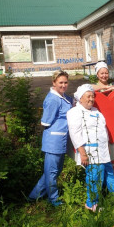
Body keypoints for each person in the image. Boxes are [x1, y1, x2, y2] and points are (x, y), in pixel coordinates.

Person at [67, 84, 114, 212]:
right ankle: (91, 204)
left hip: (103, 151)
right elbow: (75, 134)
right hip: (90, 152)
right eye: (88, 96)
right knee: (94, 177)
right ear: (80, 98)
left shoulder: (96, 111)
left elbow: (103, 131)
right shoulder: (74, 112)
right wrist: (82, 153)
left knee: (109, 174)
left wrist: (106, 147)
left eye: (92, 96)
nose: (91, 99)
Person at [29, 70, 73, 206]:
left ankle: (34, 196)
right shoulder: (53, 99)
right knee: (52, 172)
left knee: (54, 171)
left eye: (66, 82)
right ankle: (53, 199)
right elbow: (46, 122)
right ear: (54, 83)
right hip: (54, 141)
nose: (63, 85)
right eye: (60, 82)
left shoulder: (64, 97)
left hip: (61, 140)